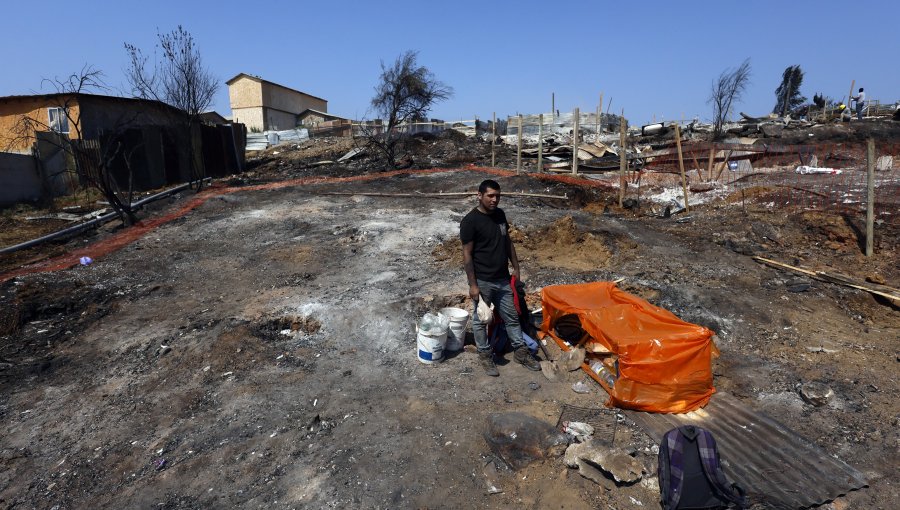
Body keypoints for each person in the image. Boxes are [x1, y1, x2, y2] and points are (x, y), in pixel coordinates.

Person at [460, 179, 541, 376]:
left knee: (511, 317)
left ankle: (521, 352)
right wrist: (473, 285)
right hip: (483, 281)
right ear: (479, 196)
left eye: (497, 196)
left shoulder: (500, 215)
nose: (495, 200)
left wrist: (516, 268)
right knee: (481, 320)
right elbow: (467, 254)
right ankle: (484, 355)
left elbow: (507, 242)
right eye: (490, 196)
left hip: (503, 279)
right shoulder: (470, 221)